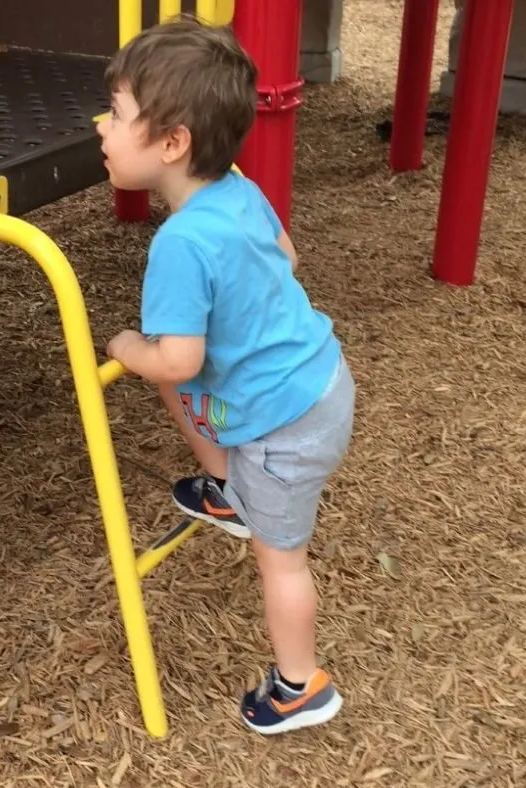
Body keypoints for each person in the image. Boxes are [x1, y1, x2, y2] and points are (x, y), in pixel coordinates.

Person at [99, 15, 355, 735]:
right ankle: (224, 489)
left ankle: (301, 688)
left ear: (172, 143)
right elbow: (288, 258)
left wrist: (126, 345)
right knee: (175, 377)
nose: (102, 127)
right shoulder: (238, 190)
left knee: (283, 563)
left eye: (117, 115)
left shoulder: (179, 244)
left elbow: (176, 359)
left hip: (284, 430)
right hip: (322, 383)